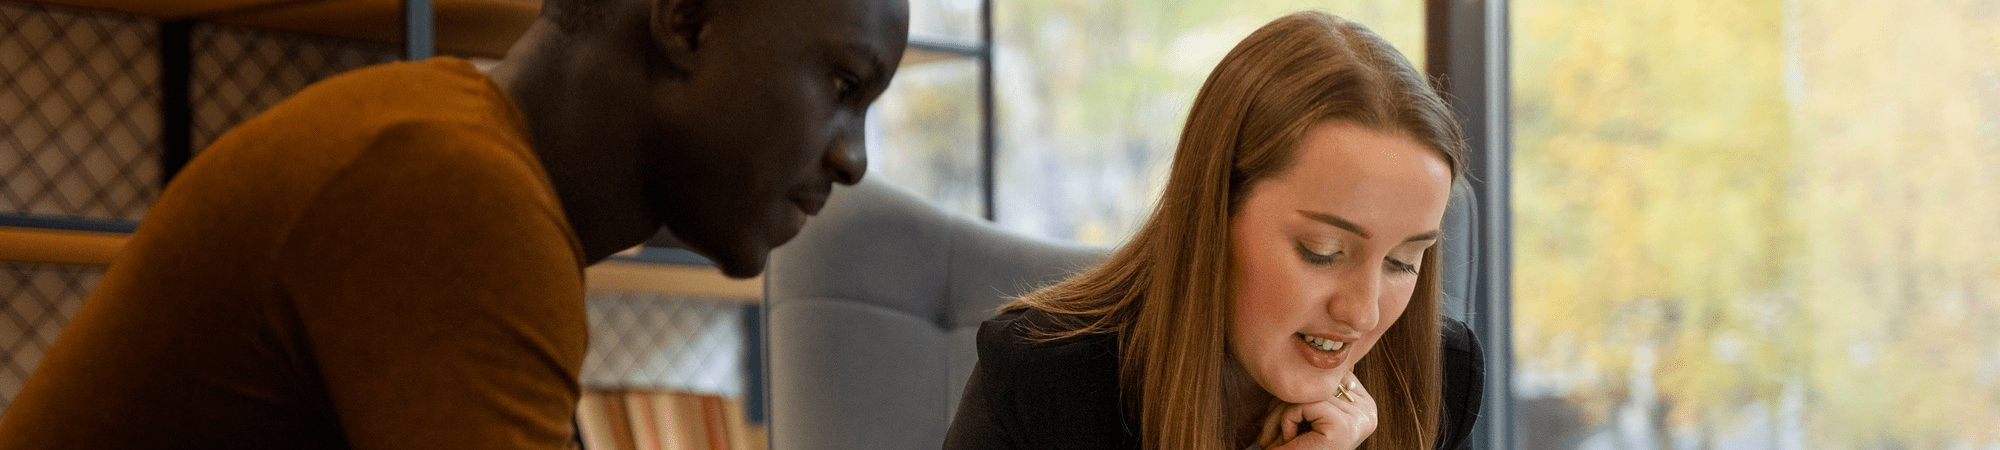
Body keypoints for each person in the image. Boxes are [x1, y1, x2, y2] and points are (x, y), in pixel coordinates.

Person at [0, 0, 907, 447]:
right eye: (842, 86)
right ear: (687, 18)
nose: (853, 160)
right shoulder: (448, 188)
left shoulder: (463, 164)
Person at [943, 12, 1482, 450]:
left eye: (1403, 262)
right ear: (1214, 215)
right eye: (1323, 251)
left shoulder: (1437, 380)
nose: (1363, 313)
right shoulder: (1045, 380)